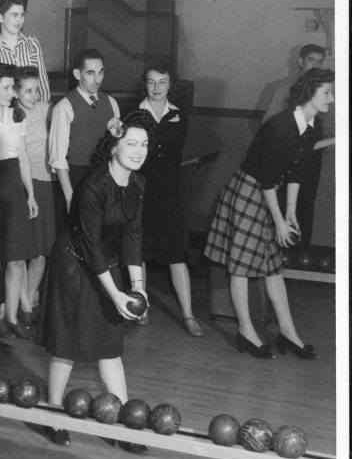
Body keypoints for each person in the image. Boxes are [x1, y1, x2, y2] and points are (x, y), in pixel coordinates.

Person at [39, 112, 154, 453]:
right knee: (68, 344)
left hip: (109, 264)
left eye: (144, 144)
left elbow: (133, 234)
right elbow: (89, 246)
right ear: (114, 145)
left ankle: (124, 426)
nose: (138, 151)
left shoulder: (138, 184)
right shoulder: (92, 187)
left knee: (110, 344)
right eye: (131, 143)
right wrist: (115, 294)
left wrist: (137, 286)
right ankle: (54, 415)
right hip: (74, 264)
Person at [203, 68, 335, 360]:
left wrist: (290, 213)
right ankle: (246, 331)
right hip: (251, 191)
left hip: (272, 193)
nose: (333, 98)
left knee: (273, 267)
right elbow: (266, 180)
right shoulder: (280, 126)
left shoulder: (312, 124)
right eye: (327, 92)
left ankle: (289, 332)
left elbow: (297, 169)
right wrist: (279, 222)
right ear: (309, 93)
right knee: (241, 264)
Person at [136, 64, 203, 336]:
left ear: (170, 85)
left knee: (176, 254)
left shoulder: (179, 115)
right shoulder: (134, 114)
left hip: (169, 194)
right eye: (151, 82)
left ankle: (188, 315)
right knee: (137, 251)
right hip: (140, 191)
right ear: (145, 84)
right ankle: (141, 308)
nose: (156, 88)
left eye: (162, 82)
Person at [0, 64, 39, 345]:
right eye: (5, 87)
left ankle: (12, 317)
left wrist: (29, 194)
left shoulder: (17, 115)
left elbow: (23, 157)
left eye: (12, 87)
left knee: (17, 258)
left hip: (13, 185)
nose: (11, 93)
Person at [263, 44, 329, 245]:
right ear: (300, 61)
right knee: (280, 207)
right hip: (284, 161)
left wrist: (328, 140)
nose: (315, 65)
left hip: (309, 160)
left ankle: (299, 254)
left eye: (319, 61)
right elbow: (269, 126)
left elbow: (320, 130)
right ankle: (275, 254)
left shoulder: (323, 92)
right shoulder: (285, 88)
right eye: (311, 60)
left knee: (304, 206)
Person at [49, 48, 120, 212]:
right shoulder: (64, 107)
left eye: (101, 72)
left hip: (106, 177)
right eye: (90, 73)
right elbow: (58, 158)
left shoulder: (112, 103)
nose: (97, 79)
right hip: (77, 178)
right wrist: (69, 196)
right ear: (77, 74)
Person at [15, 65, 57, 319]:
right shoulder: (12, 114)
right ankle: (24, 305)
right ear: (16, 93)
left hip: (44, 183)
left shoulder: (46, 110)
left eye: (36, 90)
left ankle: (28, 299)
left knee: (41, 252)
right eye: (28, 91)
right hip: (20, 185)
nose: (34, 95)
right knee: (20, 252)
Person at [0, 0, 51, 103]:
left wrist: (43, 111)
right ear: (1, 17)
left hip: (34, 111)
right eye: (14, 15)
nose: (19, 20)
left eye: (22, 15)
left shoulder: (32, 43)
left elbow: (43, 82)